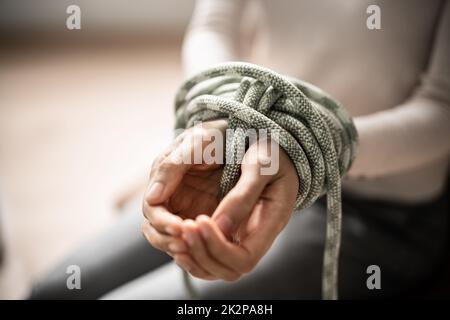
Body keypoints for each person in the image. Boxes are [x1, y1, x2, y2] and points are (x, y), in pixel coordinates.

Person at [30, 0, 449, 299]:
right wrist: (218, 124)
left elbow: (442, 107)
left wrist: (306, 150)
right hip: (248, 154)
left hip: (380, 213)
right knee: (54, 291)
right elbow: (213, 26)